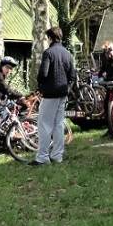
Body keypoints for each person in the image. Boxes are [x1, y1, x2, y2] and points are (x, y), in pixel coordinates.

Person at [33, 27, 75, 166]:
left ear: (50, 38)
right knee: (58, 125)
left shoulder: (48, 53)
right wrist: (67, 89)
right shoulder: (67, 53)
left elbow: (43, 74)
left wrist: (40, 86)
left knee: (44, 125)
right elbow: (72, 76)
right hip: (63, 93)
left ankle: (42, 157)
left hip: (50, 94)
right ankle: (57, 155)